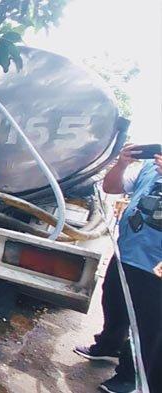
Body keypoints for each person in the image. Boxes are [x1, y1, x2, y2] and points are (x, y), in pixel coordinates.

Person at [74, 145, 162, 393]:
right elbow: (111, 188)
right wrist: (122, 163)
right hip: (130, 252)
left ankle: (132, 377)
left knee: (148, 323)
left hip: (157, 264)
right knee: (113, 299)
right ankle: (109, 345)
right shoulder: (148, 169)